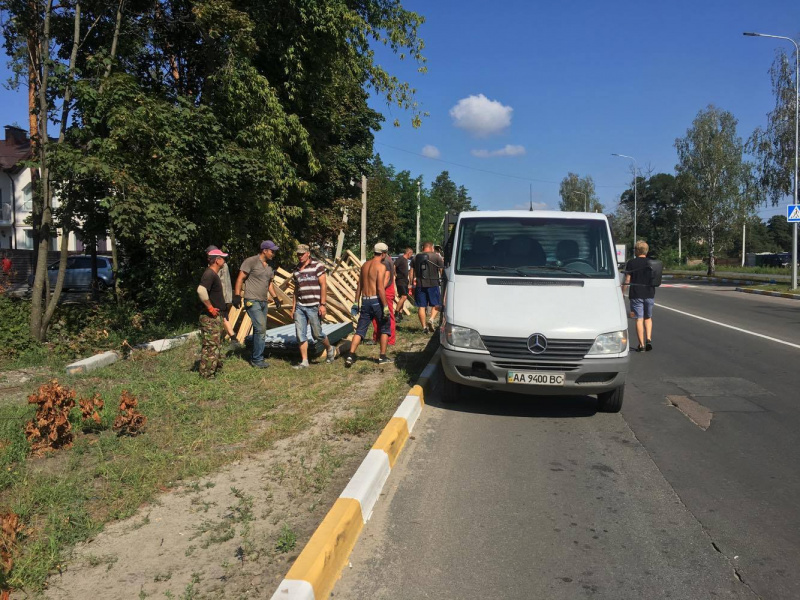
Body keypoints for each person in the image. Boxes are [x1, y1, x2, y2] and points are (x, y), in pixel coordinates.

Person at [233, 240, 281, 369]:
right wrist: (237, 295)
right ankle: (257, 359)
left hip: (263, 301)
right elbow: (240, 278)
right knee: (261, 328)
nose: (273, 254)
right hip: (251, 300)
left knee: (258, 329)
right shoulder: (251, 261)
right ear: (264, 250)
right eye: (272, 251)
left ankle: (254, 353)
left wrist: (275, 298)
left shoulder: (270, 266)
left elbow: (269, 284)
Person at [291, 244, 337, 368]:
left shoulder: (317, 266)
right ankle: (304, 361)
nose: (300, 256)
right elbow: (296, 290)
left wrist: (323, 304)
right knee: (300, 334)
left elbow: (323, 285)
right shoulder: (296, 269)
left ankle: (329, 348)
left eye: (302, 254)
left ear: (308, 253)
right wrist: (293, 307)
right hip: (300, 307)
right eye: (298, 254)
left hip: (314, 306)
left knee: (317, 334)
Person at [346, 246, 391, 367]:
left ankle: (350, 355)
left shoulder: (365, 265)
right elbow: (380, 288)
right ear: (383, 254)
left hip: (365, 300)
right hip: (376, 301)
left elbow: (359, 285)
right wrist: (385, 306)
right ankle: (382, 357)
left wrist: (356, 302)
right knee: (385, 327)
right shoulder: (381, 267)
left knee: (360, 330)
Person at [196, 248, 228, 378]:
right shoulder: (209, 274)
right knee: (211, 346)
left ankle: (215, 369)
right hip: (210, 317)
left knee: (216, 344)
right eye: (222, 258)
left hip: (215, 317)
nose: (224, 260)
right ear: (217, 260)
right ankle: (206, 375)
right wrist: (210, 308)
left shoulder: (213, 274)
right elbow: (201, 290)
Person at [624, 240, 655, 352]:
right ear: (646, 250)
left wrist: (622, 292)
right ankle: (648, 339)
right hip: (649, 293)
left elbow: (627, 280)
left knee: (639, 319)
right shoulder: (652, 263)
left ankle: (641, 345)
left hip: (636, 294)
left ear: (636, 250)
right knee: (648, 317)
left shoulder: (631, 263)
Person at [410, 241, 444, 333]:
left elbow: (411, 271)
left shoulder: (416, 257)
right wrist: (442, 280)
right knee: (436, 304)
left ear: (423, 248)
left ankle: (424, 328)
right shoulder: (436, 257)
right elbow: (441, 270)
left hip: (420, 285)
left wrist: (411, 283)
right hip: (433, 284)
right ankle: (431, 319)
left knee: (421, 306)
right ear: (432, 247)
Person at [206, 245, 237, 343]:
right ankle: (225, 338)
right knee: (223, 317)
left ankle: (233, 339)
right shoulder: (224, 264)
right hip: (226, 295)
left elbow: (215, 280)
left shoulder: (218, 266)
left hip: (220, 296)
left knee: (222, 317)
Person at [372, 242, 397, 346]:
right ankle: (378, 337)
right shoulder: (388, 259)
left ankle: (389, 339)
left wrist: (379, 290)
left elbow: (386, 279)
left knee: (387, 315)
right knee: (379, 315)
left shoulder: (385, 262)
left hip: (385, 291)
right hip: (386, 290)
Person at [394, 247, 413, 321]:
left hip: (405, 281)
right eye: (411, 254)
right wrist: (395, 274)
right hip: (400, 280)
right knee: (404, 297)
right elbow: (394, 265)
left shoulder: (405, 260)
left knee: (403, 297)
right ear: (409, 253)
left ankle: (400, 314)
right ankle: (396, 313)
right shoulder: (400, 259)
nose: (411, 256)